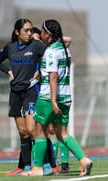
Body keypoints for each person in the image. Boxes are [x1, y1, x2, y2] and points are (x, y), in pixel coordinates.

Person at [21, 19, 93, 176]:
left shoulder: (51, 52)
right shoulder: (65, 50)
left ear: (47, 33)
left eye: (42, 31)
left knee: (39, 130)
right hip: (66, 97)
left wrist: (53, 100)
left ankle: (38, 168)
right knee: (62, 133)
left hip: (48, 97)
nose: (40, 34)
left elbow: (53, 76)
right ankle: (83, 159)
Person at [0, 18, 46, 175]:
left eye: (31, 30)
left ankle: (42, 165)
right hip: (16, 92)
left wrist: (40, 72)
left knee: (32, 129)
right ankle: (27, 167)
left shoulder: (36, 46)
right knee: (22, 132)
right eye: (26, 30)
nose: (30, 33)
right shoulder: (10, 47)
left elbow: (49, 57)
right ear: (17, 32)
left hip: (31, 91)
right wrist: (8, 71)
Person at [33, 26, 71, 174]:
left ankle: (61, 163)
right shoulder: (43, 50)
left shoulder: (51, 50)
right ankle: (54, 163)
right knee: (52, 131)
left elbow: (69, 39)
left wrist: (43, 40)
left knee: (54, 131)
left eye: (39, 34)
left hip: (51, 94)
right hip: (45, 91)